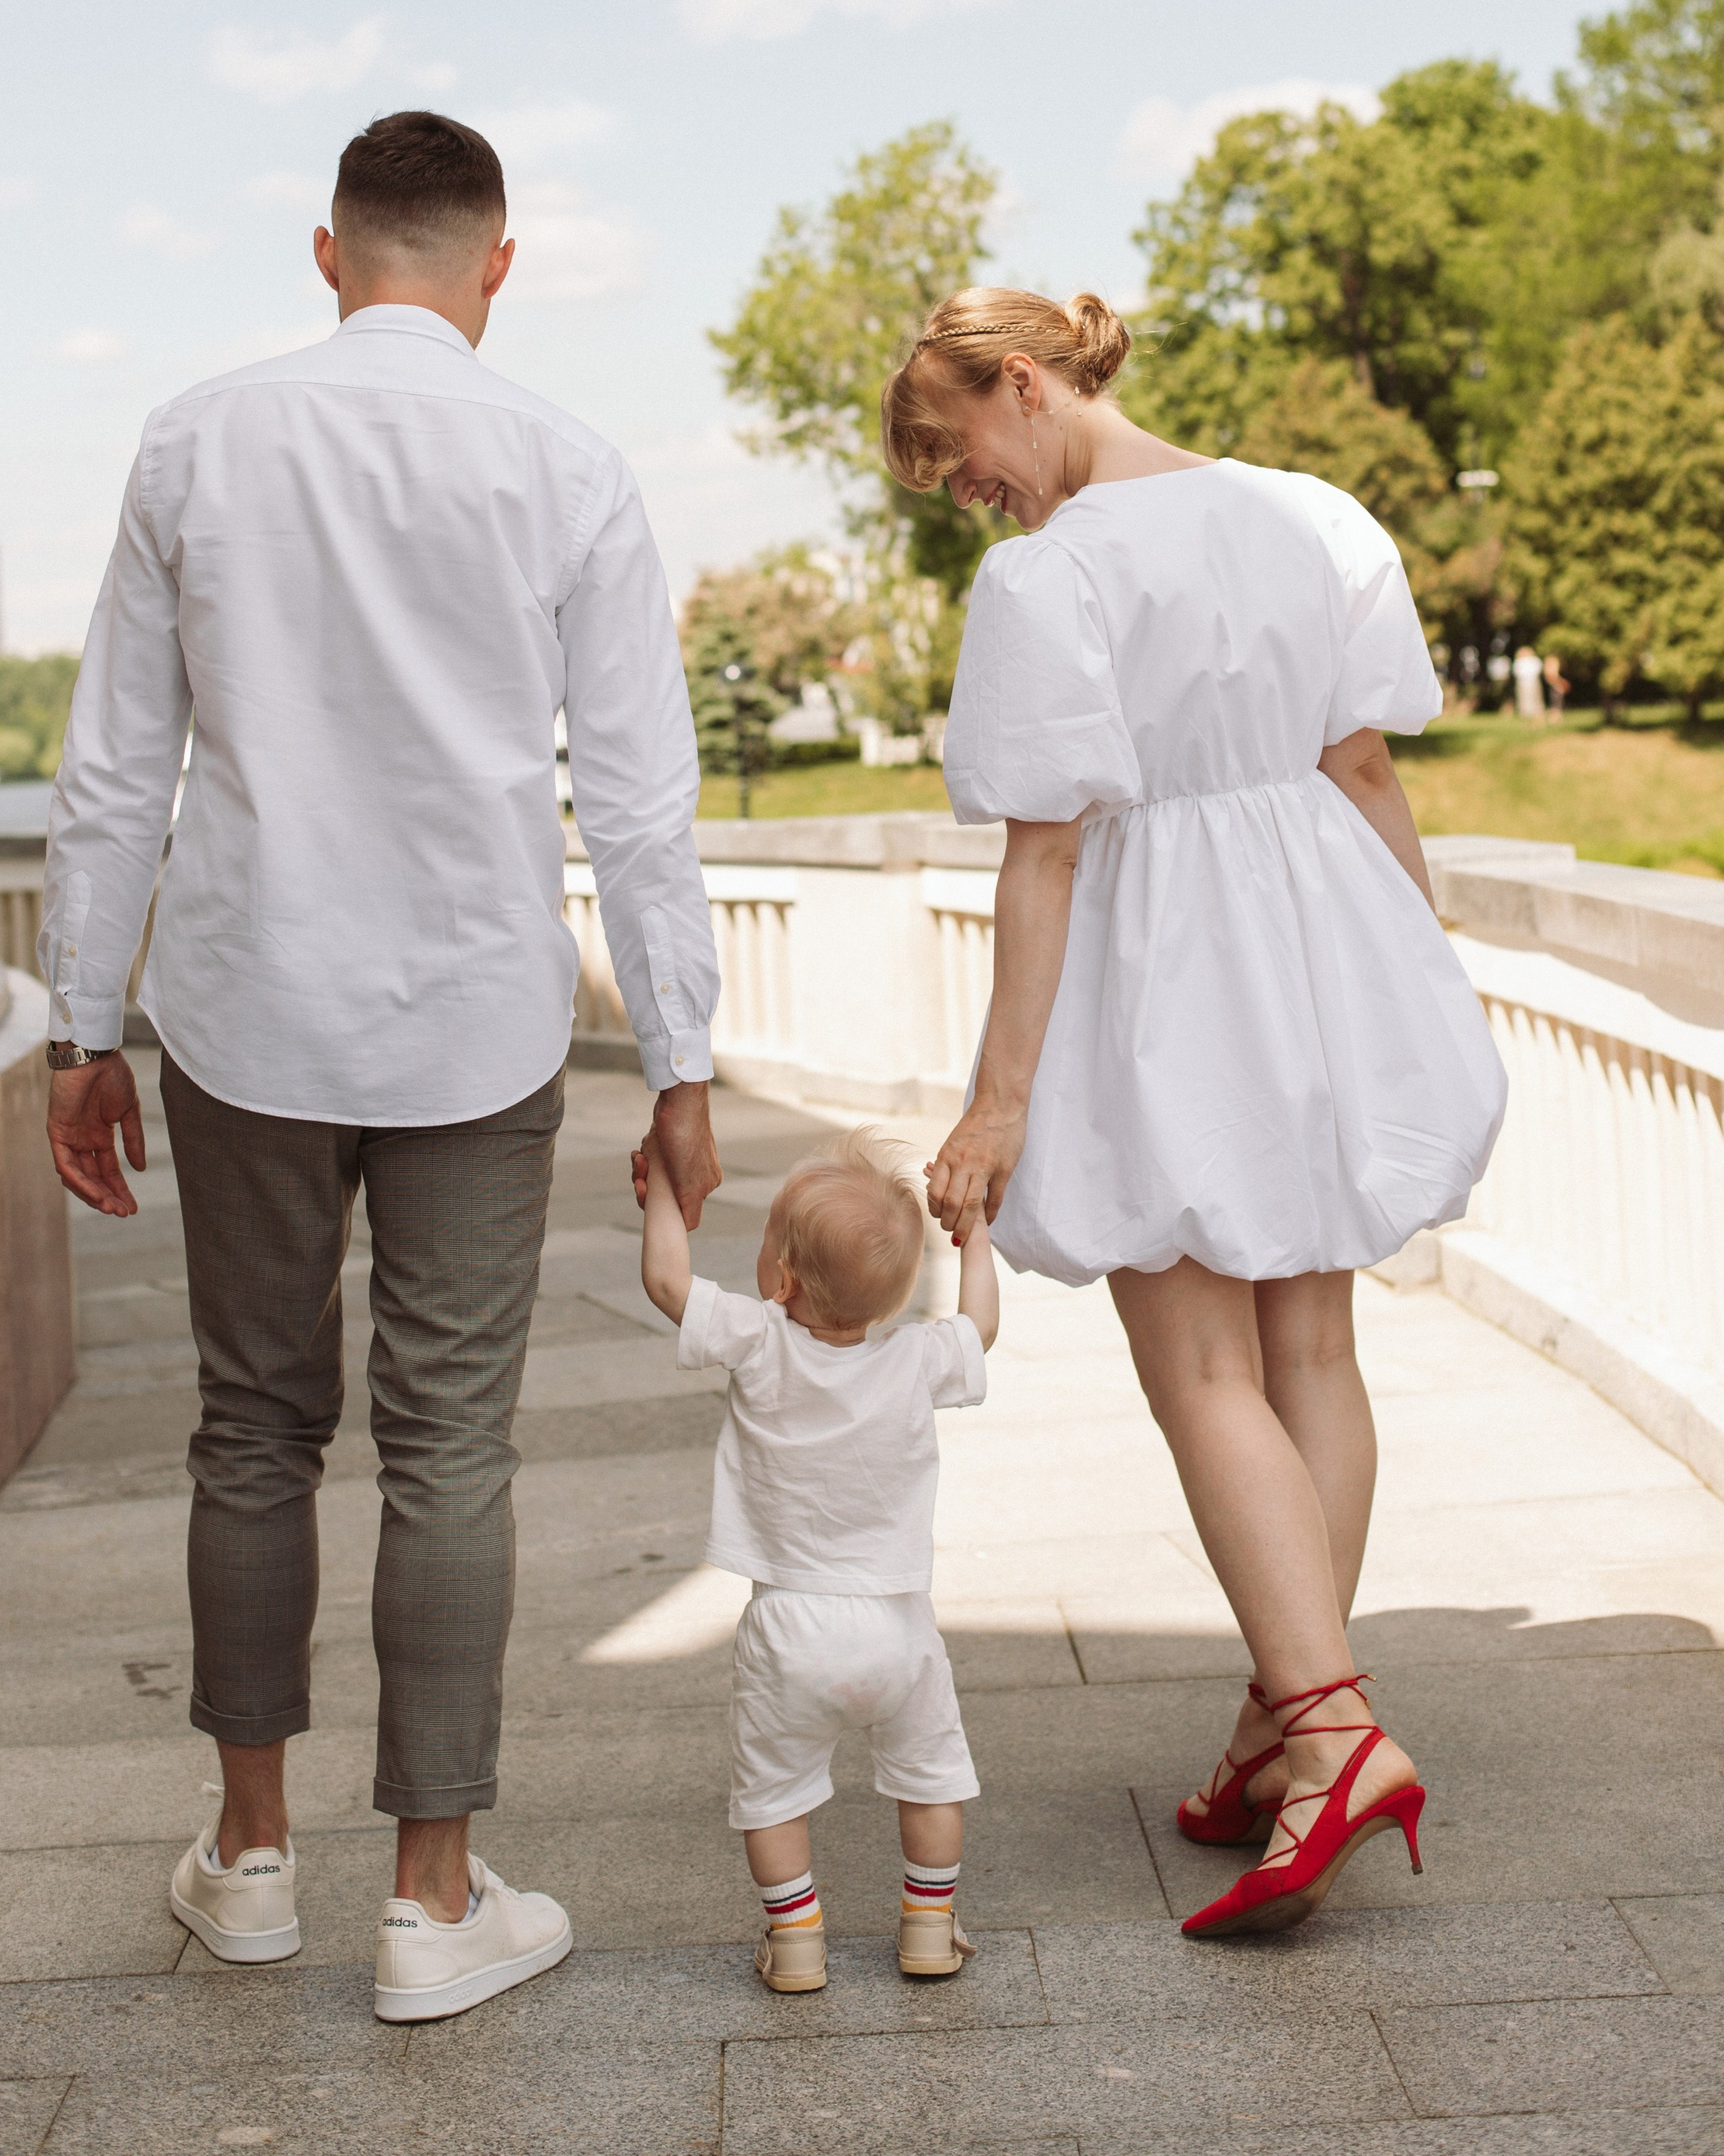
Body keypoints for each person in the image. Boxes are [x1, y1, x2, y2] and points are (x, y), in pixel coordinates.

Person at [39, 110, 723, 2022]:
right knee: (449, 1448)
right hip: (475, 1024)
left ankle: (251, 1858)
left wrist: (82, 1028)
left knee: (253, 1430)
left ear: (328, 254)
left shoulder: (193, 437)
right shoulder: (569, 467)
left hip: (247, 1013)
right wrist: (679, 1062)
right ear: (497, 265)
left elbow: (116, 770)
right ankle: (431, 1898)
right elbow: (640, 804)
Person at [881, 288, 1507, 1942]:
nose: (974, 496)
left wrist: (996, 1104)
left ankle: (1333, 1736)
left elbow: (1045, 853)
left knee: (1203, 1371)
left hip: (1165, 969)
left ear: (1024, 382)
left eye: (961, 455)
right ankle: (1276, 1731)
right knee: (1312, 1358)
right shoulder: (1309, 516)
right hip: (1314, 945)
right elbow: (1362, 771)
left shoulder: (1050, 578)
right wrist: (1414, 983)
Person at [637, 1129, 998, 1989]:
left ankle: (797, 1940)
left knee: (774, 1793)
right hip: (898, 1627)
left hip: (788, 1626)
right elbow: (980, 1325)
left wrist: (664, 1197)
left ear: (783, 1279)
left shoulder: (758, 1341)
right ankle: (928, 1928)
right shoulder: (914, 1358)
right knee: (931, 1779)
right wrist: (974, 1229)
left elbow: (666, 1283)